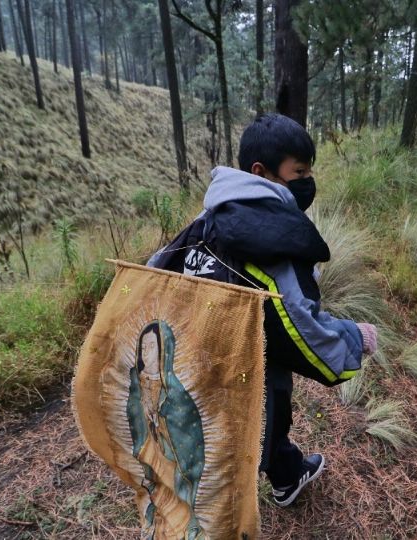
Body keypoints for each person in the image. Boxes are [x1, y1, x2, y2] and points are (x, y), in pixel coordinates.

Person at [148, 113, 378, 506]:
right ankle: (223, 509)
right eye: (299, 172)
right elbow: (298, 321)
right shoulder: (266, 235)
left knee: (224, 425)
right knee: (260, 422)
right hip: (251, 362)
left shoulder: (209, 217)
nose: (307, 182)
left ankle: (286, 474)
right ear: (262, 171)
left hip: (195, 358)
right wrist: (354, 338)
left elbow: (156, 270)